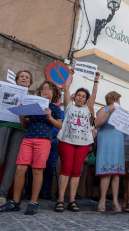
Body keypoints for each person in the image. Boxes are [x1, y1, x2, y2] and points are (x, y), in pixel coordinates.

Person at [0, 80, 62, 215]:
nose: (45, 91)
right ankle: (15, 202)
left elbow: (59, 126)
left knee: (37, 170)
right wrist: (22, 114)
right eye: (42, 89)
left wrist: (49, 117)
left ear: (54, 93)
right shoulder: (33, 106)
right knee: (20, 168)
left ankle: (33, 202)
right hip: (28, 139)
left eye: (48, 89)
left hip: (43, 141)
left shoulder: (55, 108)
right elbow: (24, 125)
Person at [55, 68, 99, 212]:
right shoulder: (69, 106)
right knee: (66, 169)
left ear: (86, 100)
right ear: (75, 97)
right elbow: (66, 88)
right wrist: (71, 74)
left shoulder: (88, 109)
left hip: (82, 144)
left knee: (76, 172)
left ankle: (72, 200)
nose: (80, 97)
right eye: (78, 95)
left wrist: (96, 80)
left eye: (83, 96)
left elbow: (94, 95)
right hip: (66, 141)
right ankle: (61, 199)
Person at [0, 71, 33, 206]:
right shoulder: (4, 89)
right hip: (4, 124)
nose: (24, 78)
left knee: (12, 162)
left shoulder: (32, 97)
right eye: (21, 76)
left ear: (30, 82)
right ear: (16, 80)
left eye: (27, 77)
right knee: (0, 157)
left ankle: (2, 195)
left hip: (21, 128)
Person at [95, 91, 125, 212]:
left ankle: (115, 201)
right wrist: (109, 113)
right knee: (106, 172)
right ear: (114, 100)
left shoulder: (121, 112)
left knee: (116, 173)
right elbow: (97, 123)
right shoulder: (104, 110)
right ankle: (102, 200)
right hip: (107, 143)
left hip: (118, 143)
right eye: (118, 100)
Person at [40, 98, 64, 200]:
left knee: (50, 166)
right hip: (43, 139)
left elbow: (61, 126)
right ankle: (32, 191)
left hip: (55, 141)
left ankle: (46, 191)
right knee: (39, 165)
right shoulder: (43, 108)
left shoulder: (61, 112)